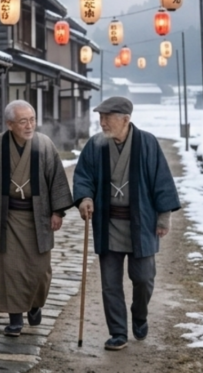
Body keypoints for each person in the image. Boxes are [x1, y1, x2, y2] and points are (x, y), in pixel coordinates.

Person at [72, 96, 180, 351]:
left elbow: (161, 181)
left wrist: (164, 217)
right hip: (108, 223)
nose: (102, 123)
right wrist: (85, 198)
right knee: (110, 283)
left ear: (125, 119)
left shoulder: (147, 143)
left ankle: (139, 314)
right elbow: (83, 175)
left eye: (107, 118)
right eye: (100, 118)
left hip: (140, 223)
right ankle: (118, 332)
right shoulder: (96, 145)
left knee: (143, 278)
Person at [0, 100, 74, 337]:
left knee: (41, 270)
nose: (29, 125)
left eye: (32, 120)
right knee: (11, 270)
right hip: (8, 218)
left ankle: (35, 305)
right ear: (9, 124)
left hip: (39, 218)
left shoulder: (44, 145)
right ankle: (15, 319)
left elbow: (57, 178)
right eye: (23, 121)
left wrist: (57, 212)